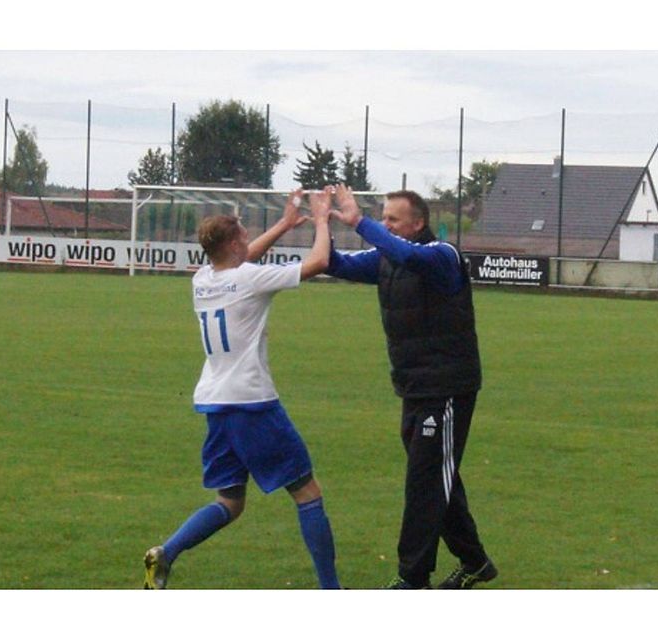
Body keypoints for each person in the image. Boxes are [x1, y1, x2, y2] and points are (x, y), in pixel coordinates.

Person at [144, 188, 341, 589]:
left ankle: (166, 553)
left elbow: (242, 258)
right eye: (243, 236)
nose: (247, 241)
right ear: (234, 242)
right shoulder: (249, 279)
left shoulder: (202, 279)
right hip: (253, 404)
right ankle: (331, 592)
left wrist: (285, 224)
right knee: (307, 492)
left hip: (215, 404)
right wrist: (321, 218)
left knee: (230, 503)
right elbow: (319, 261)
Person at [324, 184, 497, 589]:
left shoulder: (441, 256)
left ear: (418, 224)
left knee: (424, 483)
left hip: (447, 388)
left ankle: (412, 579)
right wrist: (319, 224)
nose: (385, 225)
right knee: (438, 477)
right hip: (414, 387)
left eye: (392, 219)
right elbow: (338, 264)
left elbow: (408, 256)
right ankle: (475, 562)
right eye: (382, 218)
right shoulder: (386, 259)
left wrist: (361, 222)